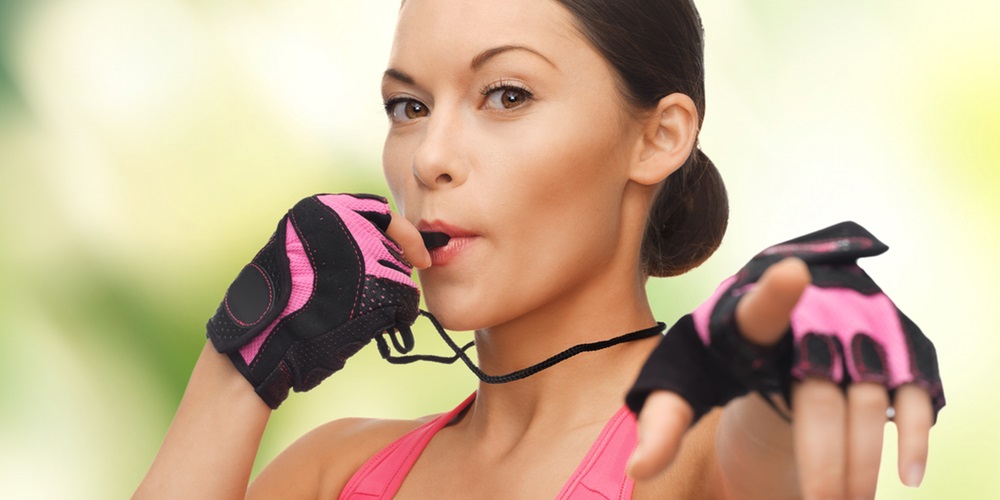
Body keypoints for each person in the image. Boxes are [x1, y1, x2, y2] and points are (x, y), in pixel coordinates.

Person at [134, 0, 942, 498]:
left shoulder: (693, 447)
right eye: (408, 105)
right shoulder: (336, 471)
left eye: (507, 94)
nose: (427, 158)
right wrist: (245, 352)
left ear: (658, 138)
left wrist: (796, 368)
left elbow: (775, 462)